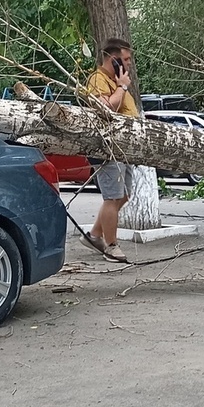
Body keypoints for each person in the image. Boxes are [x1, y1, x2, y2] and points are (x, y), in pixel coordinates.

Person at [81, 38, 139, 263]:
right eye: (125, 60)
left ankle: (95, 235)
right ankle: (111, 246)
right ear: (113, 60)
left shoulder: (112, 80)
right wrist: (122, 86)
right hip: (107, 149)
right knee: (112, 197)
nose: (129, 64)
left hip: (122, 148)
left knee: (123, 195)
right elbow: (106, 109)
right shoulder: (97, 80)